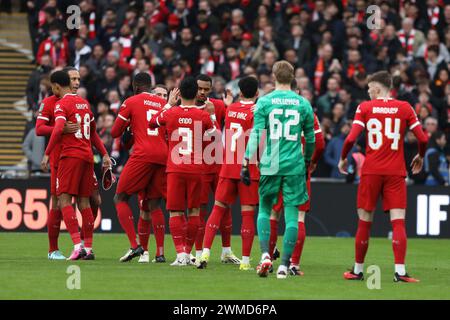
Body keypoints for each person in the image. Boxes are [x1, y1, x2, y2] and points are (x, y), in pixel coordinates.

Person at [338, 71, 429, 282]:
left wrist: (343, 158)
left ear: (377, 89)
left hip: (371, 171)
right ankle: (400, 272)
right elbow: (422, 139)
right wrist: (420, 156)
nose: (368, 92)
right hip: (395, 172)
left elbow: (351, 138)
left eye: (369, 89)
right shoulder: (405, 108)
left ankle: (358, 270)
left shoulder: (365, 108)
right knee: (398, 223)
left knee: (364, 221)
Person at [242, 61, 315, 279]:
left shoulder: (265, 102)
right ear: (293, 77)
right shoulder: (303, 103)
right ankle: (284, 266)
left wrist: (246, 161)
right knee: (292, 215)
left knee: (265, 210)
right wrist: (308, 160)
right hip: (294, 163)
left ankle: (265, 255)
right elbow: (310, 138)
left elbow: (256, 133)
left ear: (274, 76)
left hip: (271, 162)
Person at [41, 71, 111, 260]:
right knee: (84, 202)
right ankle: (87, 248)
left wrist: (47, 154)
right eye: (74, 79)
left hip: (70, 156)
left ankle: (77, 246)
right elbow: (94, 131)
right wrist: (103, 153)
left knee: (64, 200)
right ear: (68, 82)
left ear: (56, 86)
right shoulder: (84, 103)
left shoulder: (61, 104)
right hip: (87, 156)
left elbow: (57, 129)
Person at [149, 77, 218, 266]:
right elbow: (216, 138)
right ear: (197, 93)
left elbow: (152, 123)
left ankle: (180, 255)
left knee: (176, 212)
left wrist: (168, 104)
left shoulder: (170, 113)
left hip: (175, 169)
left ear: (178, 93)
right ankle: (188, 253)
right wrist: (211, 115)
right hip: (196, 168)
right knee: (195, 211)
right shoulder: (203, 115)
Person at [197, 76, 260, 271]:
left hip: (228, 166)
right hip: (248, 169)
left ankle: (205, 252)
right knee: (247, 214)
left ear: (240, 92)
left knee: (217, 209)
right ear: (257, 94)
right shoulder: (257, 112)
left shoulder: (230, 109)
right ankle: (246, 261)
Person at [268, 79, 325, 276]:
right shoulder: (307, 111)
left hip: (275, 168)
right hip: (299, 169)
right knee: (298, 217)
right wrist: (312, 161)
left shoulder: (270, 109)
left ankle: (266, 258)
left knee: (273, 215)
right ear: (297, 91)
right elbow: (319, 143)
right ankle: (293, 264)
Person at [111, 72, 169, 263]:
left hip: (143, 154)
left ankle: (135, 246)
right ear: (151, 86)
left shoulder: (131, 101)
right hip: (163, 155)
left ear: (135, 86)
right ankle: (160, 253)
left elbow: (114, 132)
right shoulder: (163, 104)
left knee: (120, 197)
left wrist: (130, 124)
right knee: (154, 204)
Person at [193, 74, 239, 264]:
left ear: (211, 89)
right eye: (200, 88)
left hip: (218, 164)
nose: (203, 92)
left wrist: (228, 106)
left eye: (206, 89)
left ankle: (226, 251)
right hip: (198, 167)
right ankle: (198, 253)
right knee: (200, 209)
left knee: (224, 206)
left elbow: (234, 126)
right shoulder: (184, 108)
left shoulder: (219, 106)